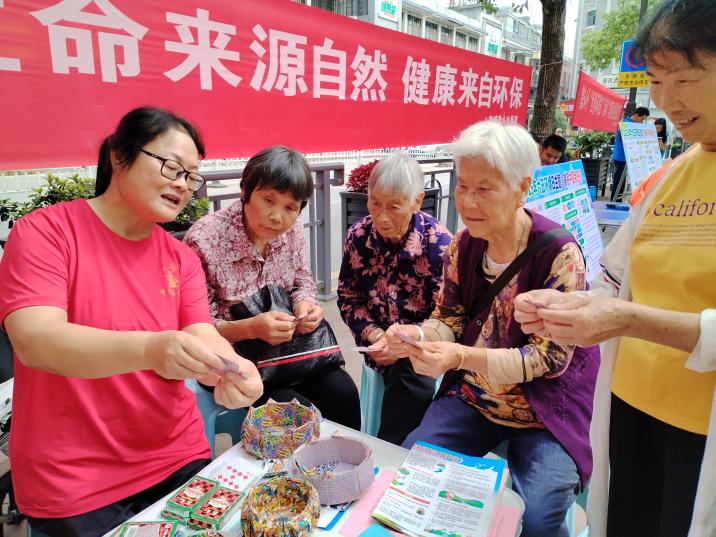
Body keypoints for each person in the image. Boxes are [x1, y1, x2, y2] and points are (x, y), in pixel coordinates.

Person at [0, 107, 263, 536]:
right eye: (172, 168)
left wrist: (233, 370)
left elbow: (200, 332)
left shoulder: (180, 257)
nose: (183, 184)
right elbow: (36, 340)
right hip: (73, 480)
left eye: (191, 176)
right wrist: (150, 349)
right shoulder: (47, 233)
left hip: (175, 455)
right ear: (119, 157)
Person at [514, 3, 716, 536]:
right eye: (656, 81)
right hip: (630, 410)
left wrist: (625, 319)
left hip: (700, 435)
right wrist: (568, 305)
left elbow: (624, 309)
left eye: (684, 79)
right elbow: (615, 278)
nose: (666, 101)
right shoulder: (672, 176)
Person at [387, 121, 599, 537]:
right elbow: (449, 318)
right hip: (475, 398)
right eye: (463, 186)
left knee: (539, 517)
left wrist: (461, 356)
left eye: (484, 189)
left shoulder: (559, 254)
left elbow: (548, 359)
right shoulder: (463, 246)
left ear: (521, 189)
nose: (468, 201)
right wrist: (419, 337)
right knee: (413, 471)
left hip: (543, 414)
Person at [184, 145, 361, 429]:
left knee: (344, 394)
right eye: (268, 200)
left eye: (290, 207)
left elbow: (302, 280)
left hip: (290, 351)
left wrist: (305, 304)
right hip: (236, 361)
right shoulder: (204, 239)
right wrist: (251, 328)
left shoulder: (291, 230)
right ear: (245, 191)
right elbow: (197, 325)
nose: (278, 217)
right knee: (292, 413)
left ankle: (346, 456)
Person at [336, 153, 453, 445]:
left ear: (417, 201)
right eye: (375, 203)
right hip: (376, 345)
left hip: (420, 347)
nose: (381, 217)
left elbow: (447, 314)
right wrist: (375, 335)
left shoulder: (439, 244)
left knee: (412, 379)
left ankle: (390, 450)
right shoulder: (358, 236)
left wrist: (406, 342)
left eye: (394, 206)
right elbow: (348, 296)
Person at [610, 106, 650, 201]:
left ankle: (617, 201)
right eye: (641, 119)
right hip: (621, 157)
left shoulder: (632, 125)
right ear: (636, 115)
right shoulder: (626, 124)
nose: (642, 122)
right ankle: (614, 201)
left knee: (621, 181)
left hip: (627, 157)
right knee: (618, 181)